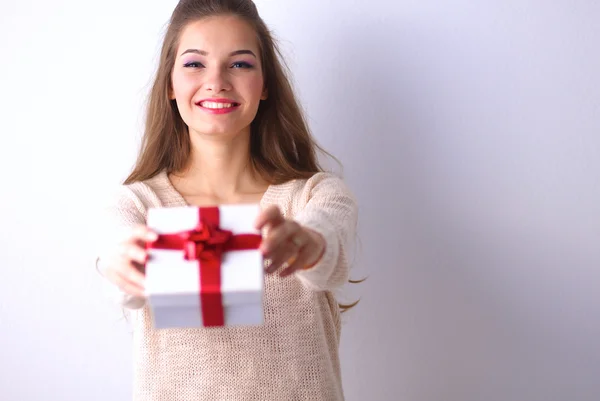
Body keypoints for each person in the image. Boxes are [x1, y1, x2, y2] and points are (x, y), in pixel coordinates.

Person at [96, 0, 359, 400]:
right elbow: (119, 269)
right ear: (170, 83)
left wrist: (307, 244)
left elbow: (329, 252)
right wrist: (118, 264)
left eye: (240, 64)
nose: (216, 81)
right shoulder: (138, 205)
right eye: (194, 64)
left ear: (265, 83)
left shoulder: (314, 195)